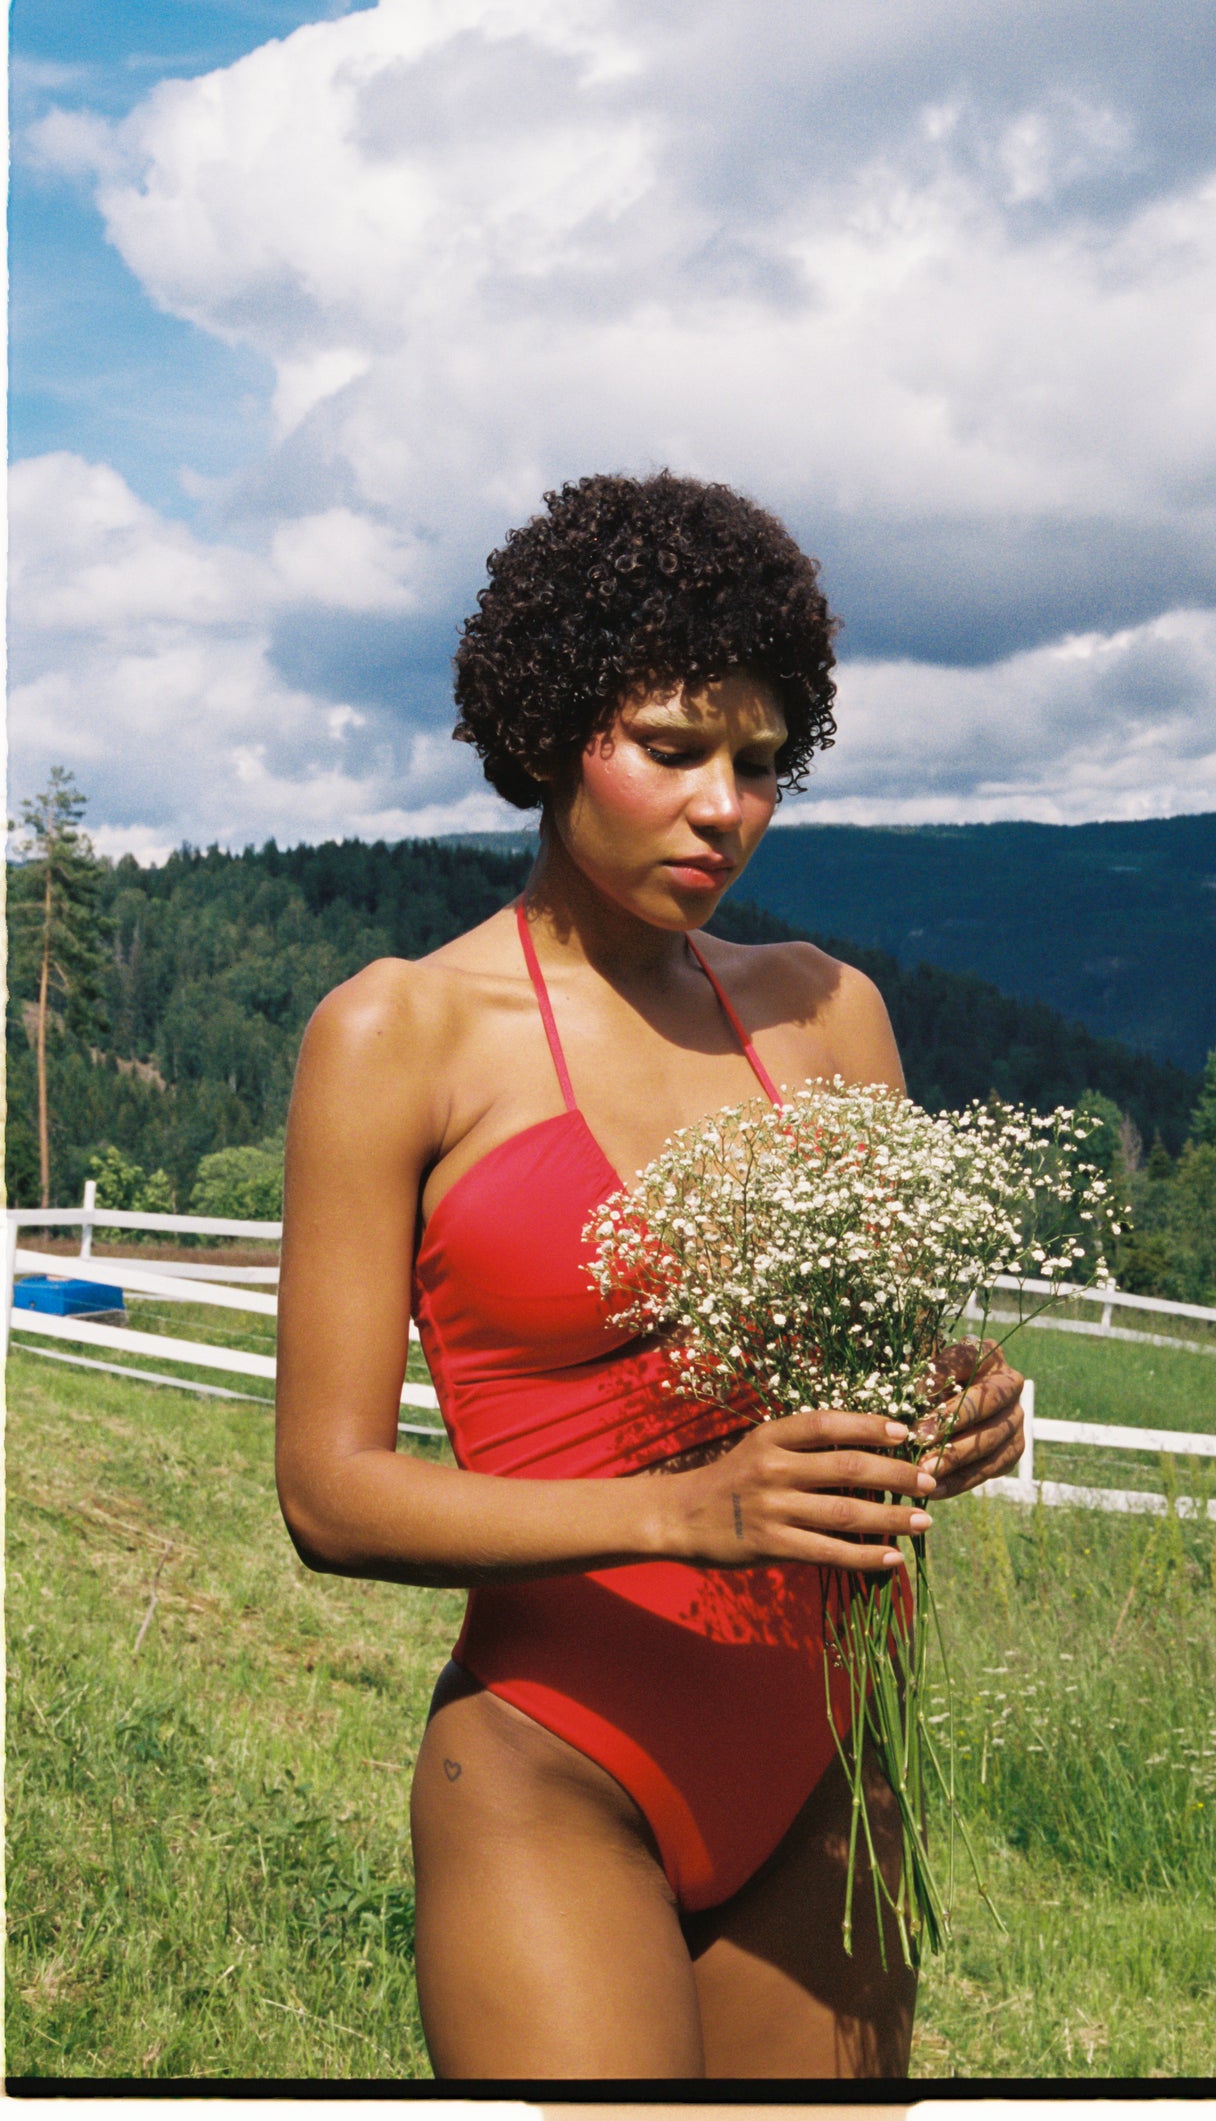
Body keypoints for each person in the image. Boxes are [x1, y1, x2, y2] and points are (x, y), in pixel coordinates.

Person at [275, 471, 1026, 2081]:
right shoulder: (395, 1033)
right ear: (551, 732)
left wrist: (964, 1406)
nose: (724, 807)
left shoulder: (831, 1010)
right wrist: (690, 1507)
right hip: (563, 1762)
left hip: (829, 1766)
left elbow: (885, 1373)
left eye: (759, 764)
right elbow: (329, 1497)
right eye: (673, 747)